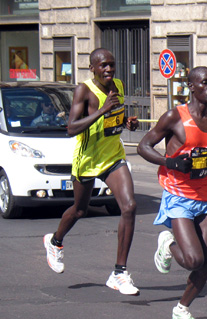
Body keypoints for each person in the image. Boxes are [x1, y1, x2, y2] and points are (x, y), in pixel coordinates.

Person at [136, 66, 207, 319]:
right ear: (191, 87)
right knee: (193, 260)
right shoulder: (175, 116)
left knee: (206, 262)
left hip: (205, 196)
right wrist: (170, 162)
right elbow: (143, 146)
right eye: (204, 83)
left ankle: (181, 310)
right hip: (178, 195)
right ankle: (167, 243)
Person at [43, 48, 140, 295]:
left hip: (113, 157)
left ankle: (119, 273)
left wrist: (126, 120)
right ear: (93, 68)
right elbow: (71, 128)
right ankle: (55, 242)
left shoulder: (118, 84)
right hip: (87, 160)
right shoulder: (83, 90)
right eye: (104, 66)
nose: (109, 69)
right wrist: (102, 111)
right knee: (80, 210)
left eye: (112, 65)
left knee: (129, 207)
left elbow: (114, 117)